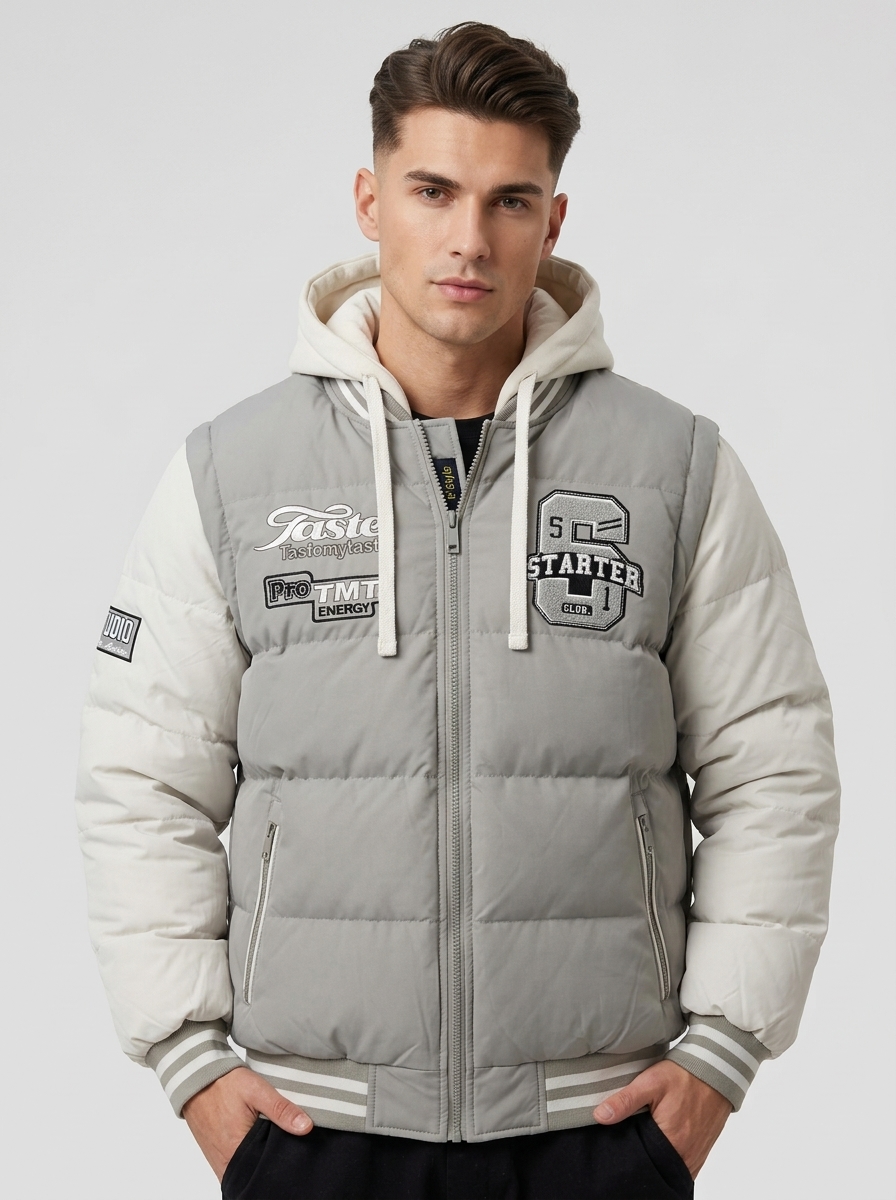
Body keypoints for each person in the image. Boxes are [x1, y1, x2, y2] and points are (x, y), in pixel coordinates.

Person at [76, 21, 839, 1200]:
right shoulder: (231, 475)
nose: (468, 239)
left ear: (553, 220)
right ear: (369, 200)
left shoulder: (674, 469)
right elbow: (141, 780)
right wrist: (192, 1065)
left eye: (509, 201)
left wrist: (718, 1060)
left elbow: (773, 768)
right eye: (432, 191)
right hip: (310, 1133)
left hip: (599, 1128)